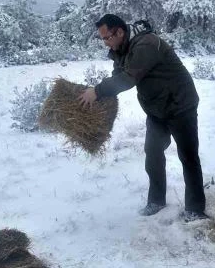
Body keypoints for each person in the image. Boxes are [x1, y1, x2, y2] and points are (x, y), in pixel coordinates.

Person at [78, 14, 208, 222]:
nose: (105, 43)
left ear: (120, 32)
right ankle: (156, 201)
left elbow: (129, 78)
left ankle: (195, 209)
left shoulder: (146, 44)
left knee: (188, 157)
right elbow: (118, 76)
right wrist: (100, 95)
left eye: (107, 38)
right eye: (102, 39)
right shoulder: (121, 49)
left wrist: (98, 91)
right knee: (153, 152)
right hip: (157, 109)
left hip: (180, 104)